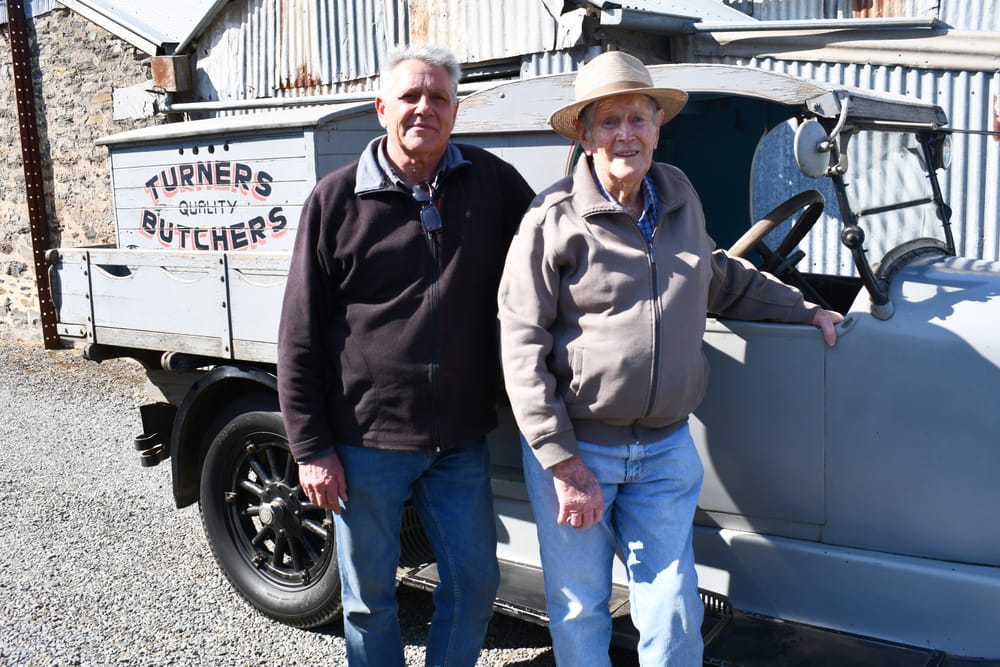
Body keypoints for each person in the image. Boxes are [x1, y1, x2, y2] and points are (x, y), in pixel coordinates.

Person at [497, 50, 843, 666]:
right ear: (584, 133)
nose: (625, 134)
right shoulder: (550, 221)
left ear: (659, 126)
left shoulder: (680, 201)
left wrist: (805, 309)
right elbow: (520, 344)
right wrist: (560, 460)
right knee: (579, 605)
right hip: (580, 450)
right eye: (608, 122)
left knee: (672, 602)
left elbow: (719, 277)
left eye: (638, 118)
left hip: (664, 450)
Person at [277, 45, 535, 667]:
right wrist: (311, 449)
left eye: (439, 98)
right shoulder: (337, 200)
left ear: (455, 110)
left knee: (475, 584)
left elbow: (556, 244)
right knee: (369, 600)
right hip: (365, 443)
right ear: (381, 108)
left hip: (459, 442)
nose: (425, 108)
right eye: (411, 97)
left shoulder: (491, 182)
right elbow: (299, 334)